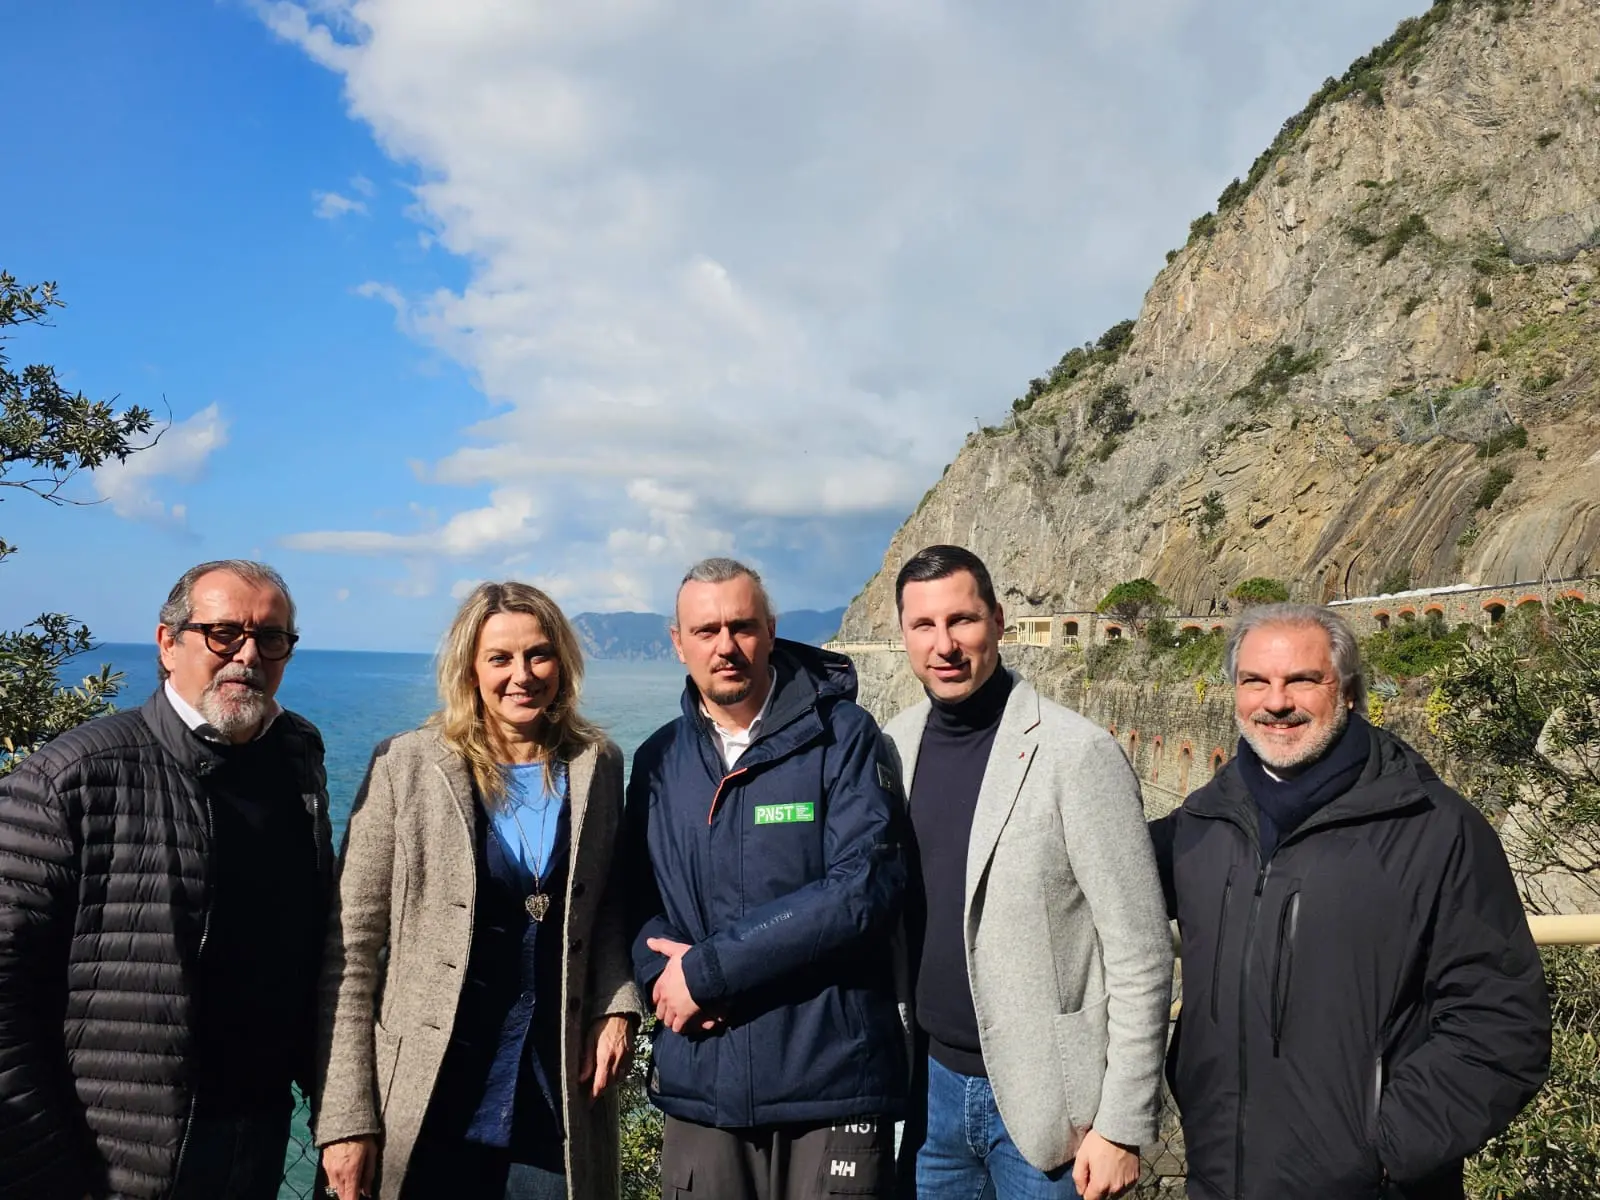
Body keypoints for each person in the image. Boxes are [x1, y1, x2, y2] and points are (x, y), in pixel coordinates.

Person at [1150, 602, 1550, 1200]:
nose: (1276, 701)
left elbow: (1501, 1026)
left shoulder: (1437, 831)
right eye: (1255, 680)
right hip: (1217, 1176)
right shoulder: (1201, 825)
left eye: (1303, 680)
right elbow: (1080, 874)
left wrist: (1384, 1150)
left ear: (1351, 693)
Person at [0, 559, 332, 1200]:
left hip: (258, 1132)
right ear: (166, 643)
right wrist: (48, 1173)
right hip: (112, 1155)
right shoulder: (70, 779)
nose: (248, 656)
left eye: (270, 638)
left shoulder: (296, 757)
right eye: (224, 633)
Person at [314, 582, 643, 1200]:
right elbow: (350, 952)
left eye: (539, 654)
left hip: (553, 1095)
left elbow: (606, 908)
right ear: (470, 668)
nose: (522, 675)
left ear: (563, 661)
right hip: (431, 1092)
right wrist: (345, 1119)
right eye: (500, 658)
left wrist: (618, 1002)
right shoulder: (405, 766)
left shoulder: (599, 764)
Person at [883, 545, 1172, 1200]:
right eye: (923, 626)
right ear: (902, 634)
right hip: (928, 1096)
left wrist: (1122, 1126)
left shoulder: (1077, 754)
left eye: (963, 620)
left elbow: (1141, 951)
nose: (945, 644)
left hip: (1051, 1111)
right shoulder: (892, 747)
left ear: (999, 621)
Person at [626, 557, 909, 1200]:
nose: (726, 646)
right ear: (677, 643)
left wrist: (708, 970)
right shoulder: (657, 762)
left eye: (742, 626)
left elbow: (864, 889)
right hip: (705, 1081)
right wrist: (660, 978)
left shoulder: (843, 736)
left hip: (831, 1079)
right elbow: (635, 904)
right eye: (706, 631)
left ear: (771, 631)